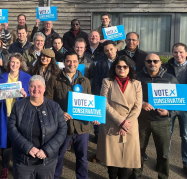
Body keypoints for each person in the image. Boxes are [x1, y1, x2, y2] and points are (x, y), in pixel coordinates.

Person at [46, 50, 99, 179]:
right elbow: (48, 102)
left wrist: (94, 116)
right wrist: (60, 113)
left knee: (82, 156)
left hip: (82, 127)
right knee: (58, 154)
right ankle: (55, 176)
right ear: (64, 62)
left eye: (74, 61)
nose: (72, 64)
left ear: (78, 62)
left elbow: (89, 101)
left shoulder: (85, 81)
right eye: (68, 61)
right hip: (62, 126)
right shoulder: (54, 79)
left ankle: (82, 177)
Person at [8, 75, 67, 179]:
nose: (36, 89)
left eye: (39, 86)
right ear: (28, 88)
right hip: (23, 161)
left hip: (47, 162)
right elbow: (11, 128)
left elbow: (62, 130)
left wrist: (47, 150)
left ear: (44, 88)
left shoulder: (54, 107)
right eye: (32, 86)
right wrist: (28, 147)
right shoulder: (19, 106)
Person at [131, 54, 179, 179]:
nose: (152, 63)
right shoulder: (137, 78)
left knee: (163, 153)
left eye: (155, 61)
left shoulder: (170, 79)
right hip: (142, 119)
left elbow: (181, 102)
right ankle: (136, 174)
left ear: (160, 63)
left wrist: (169, 113)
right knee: (139, 150)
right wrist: (141, 103)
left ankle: (163, 176)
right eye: (149, 61)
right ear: (145, 63)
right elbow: (129, 96)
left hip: (162, 121)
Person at [96, 55, 142, 179]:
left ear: (129, 68)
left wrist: (127, 124)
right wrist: (121, 121)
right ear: (114, 68)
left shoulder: (137, 84)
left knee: (127, 160)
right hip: (112, 124)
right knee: (112, 161)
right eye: (119, 66)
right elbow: (104, 103)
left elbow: (137, 107)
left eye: (125, 67)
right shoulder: (107, 82)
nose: (122, 69)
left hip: (129, 126)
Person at [0, 53, 31, 179]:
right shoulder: (2, 77)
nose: (14, 64)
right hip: (6, 114)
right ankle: (4, 166)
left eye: (17, 62)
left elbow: (33, 96)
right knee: (6, 142)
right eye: (12, 62)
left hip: (21, 116)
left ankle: (19, 166)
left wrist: (26, 94)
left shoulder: (27, 77)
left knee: (21, 141)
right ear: (8, 63)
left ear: (20, 64)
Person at [166, 42, 187, 176]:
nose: (178, 55)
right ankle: (165, 161)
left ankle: (186, 163)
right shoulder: (166, 67)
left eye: (181, 52)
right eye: (175, 52)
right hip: (171, 105)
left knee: (186, 136)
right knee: (167, 134)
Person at [92, 41, 118, 143]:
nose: (109, 52)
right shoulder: (100, 63)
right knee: (100, 124)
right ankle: (99, 141)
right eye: (106, 50)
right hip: (103, 96)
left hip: (117, 97)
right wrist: (99, 97)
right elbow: (96, 81)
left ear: (116, 48)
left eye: (111, 49)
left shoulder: (123, 62)